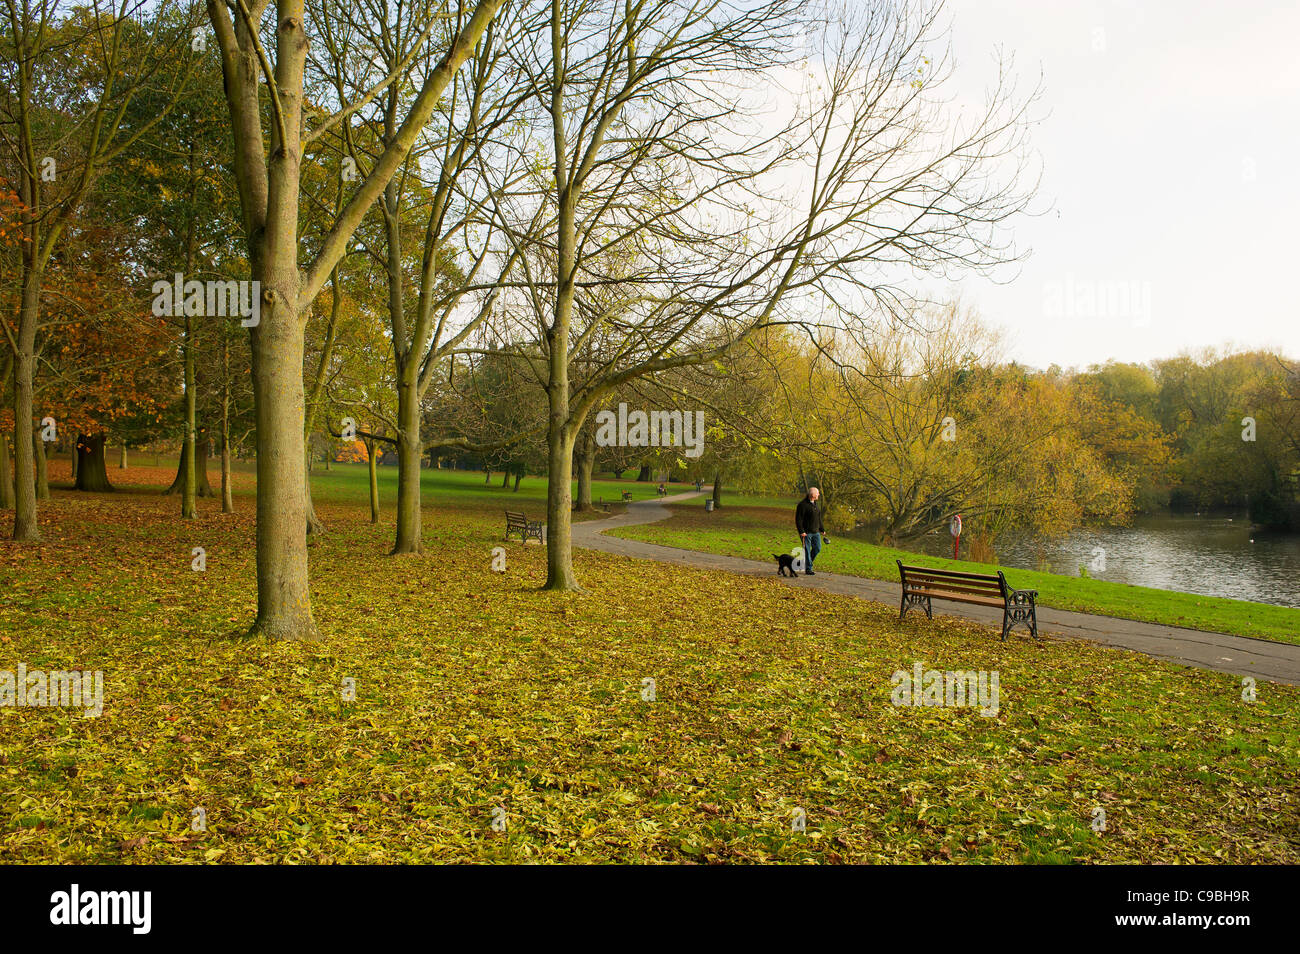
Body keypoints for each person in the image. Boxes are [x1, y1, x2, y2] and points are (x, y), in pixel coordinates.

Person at [795, 487, 828, 575]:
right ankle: (808, 568)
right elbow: (798, 520)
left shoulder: (815, 505)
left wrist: (822, 529)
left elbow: (818, 518)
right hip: (806, 533)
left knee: (817, 548)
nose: (819, 495)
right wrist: (801, 531)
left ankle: (804, 563)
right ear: (813, 495)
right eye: (817, 493)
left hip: (816, 532)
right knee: (807, 550)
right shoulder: (802, 505)